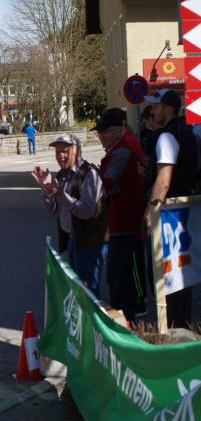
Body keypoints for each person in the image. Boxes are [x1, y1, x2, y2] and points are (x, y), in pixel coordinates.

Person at [143, 89, 198, 328]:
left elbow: (163, 180)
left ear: (168, 110)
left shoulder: (166, 137)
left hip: (168, 216)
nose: (152, 111)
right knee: (182, 278)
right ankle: (181, 327)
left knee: (167, 278)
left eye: (156, 107)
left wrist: (150, 210)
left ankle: (173, 330)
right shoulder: (187, 133)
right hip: (184, 213)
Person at [32, 133, 107, 297]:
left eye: (65, 151)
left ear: (78, 152)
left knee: (88, 293)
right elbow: (52, 211)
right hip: (73, 239)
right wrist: (46, 191)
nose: (60, 156)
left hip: (90, 242)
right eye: (57, 152)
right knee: (78, 291)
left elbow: (86, 211)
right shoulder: (62, 175)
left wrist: (60, 194)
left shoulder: (89, 174)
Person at [94, 108, 147, 323]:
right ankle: (129, 313)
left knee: (120, 277)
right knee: (121, 275)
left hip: (125, 223)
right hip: (123, 222)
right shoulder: (124, 147)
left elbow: (105, 186)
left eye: (104, 132)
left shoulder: (123, 151)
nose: (101, 137)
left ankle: (127, 319)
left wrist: (94, 176)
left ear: (117, 131)